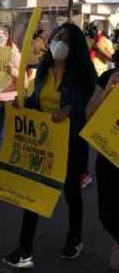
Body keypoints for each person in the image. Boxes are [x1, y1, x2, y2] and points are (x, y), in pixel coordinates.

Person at [2, 22, 96, 269]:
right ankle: (24, 249)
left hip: (71, 143)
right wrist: (22, 104)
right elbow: (36, 100)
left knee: (71, 193)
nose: (58, 44)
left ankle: (75, 238)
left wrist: (68, 111)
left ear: (74, 46)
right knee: (33, 193)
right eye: (56, 38)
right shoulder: (43, 72)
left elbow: (90, 109)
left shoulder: (82, 76)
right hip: (42, 143)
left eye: (64, 40)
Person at [86, 68, 119, 271]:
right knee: (107, 215)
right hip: (108, 158)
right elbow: (89, 114)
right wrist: (108, 90)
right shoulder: (109, 77)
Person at [0, 22, 21, 159]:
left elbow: (24, 80)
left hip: (8, 102)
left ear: (6, 36)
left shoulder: (14, 55)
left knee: (0, 141)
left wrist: (13, 72)